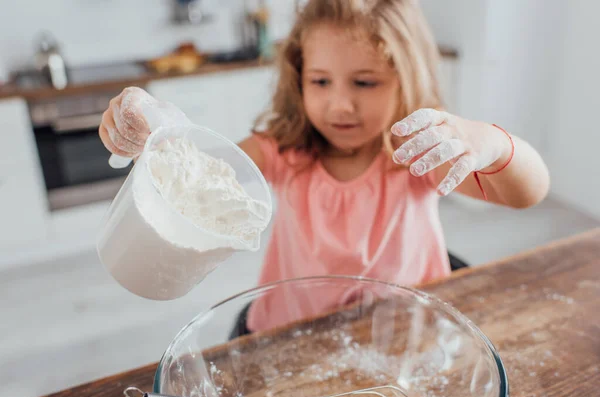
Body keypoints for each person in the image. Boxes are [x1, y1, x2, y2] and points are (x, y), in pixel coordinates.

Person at [99, 0, 549, 337]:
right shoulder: (282, 151)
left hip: (402, 333)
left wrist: (490, 142)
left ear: (405, 78)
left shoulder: (415, 156)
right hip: (294, 330)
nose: (340, 104)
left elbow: (528, 193)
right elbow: (199, 170)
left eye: (365, 82)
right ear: (298, 80)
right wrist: (160, 127)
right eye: (320, 81)